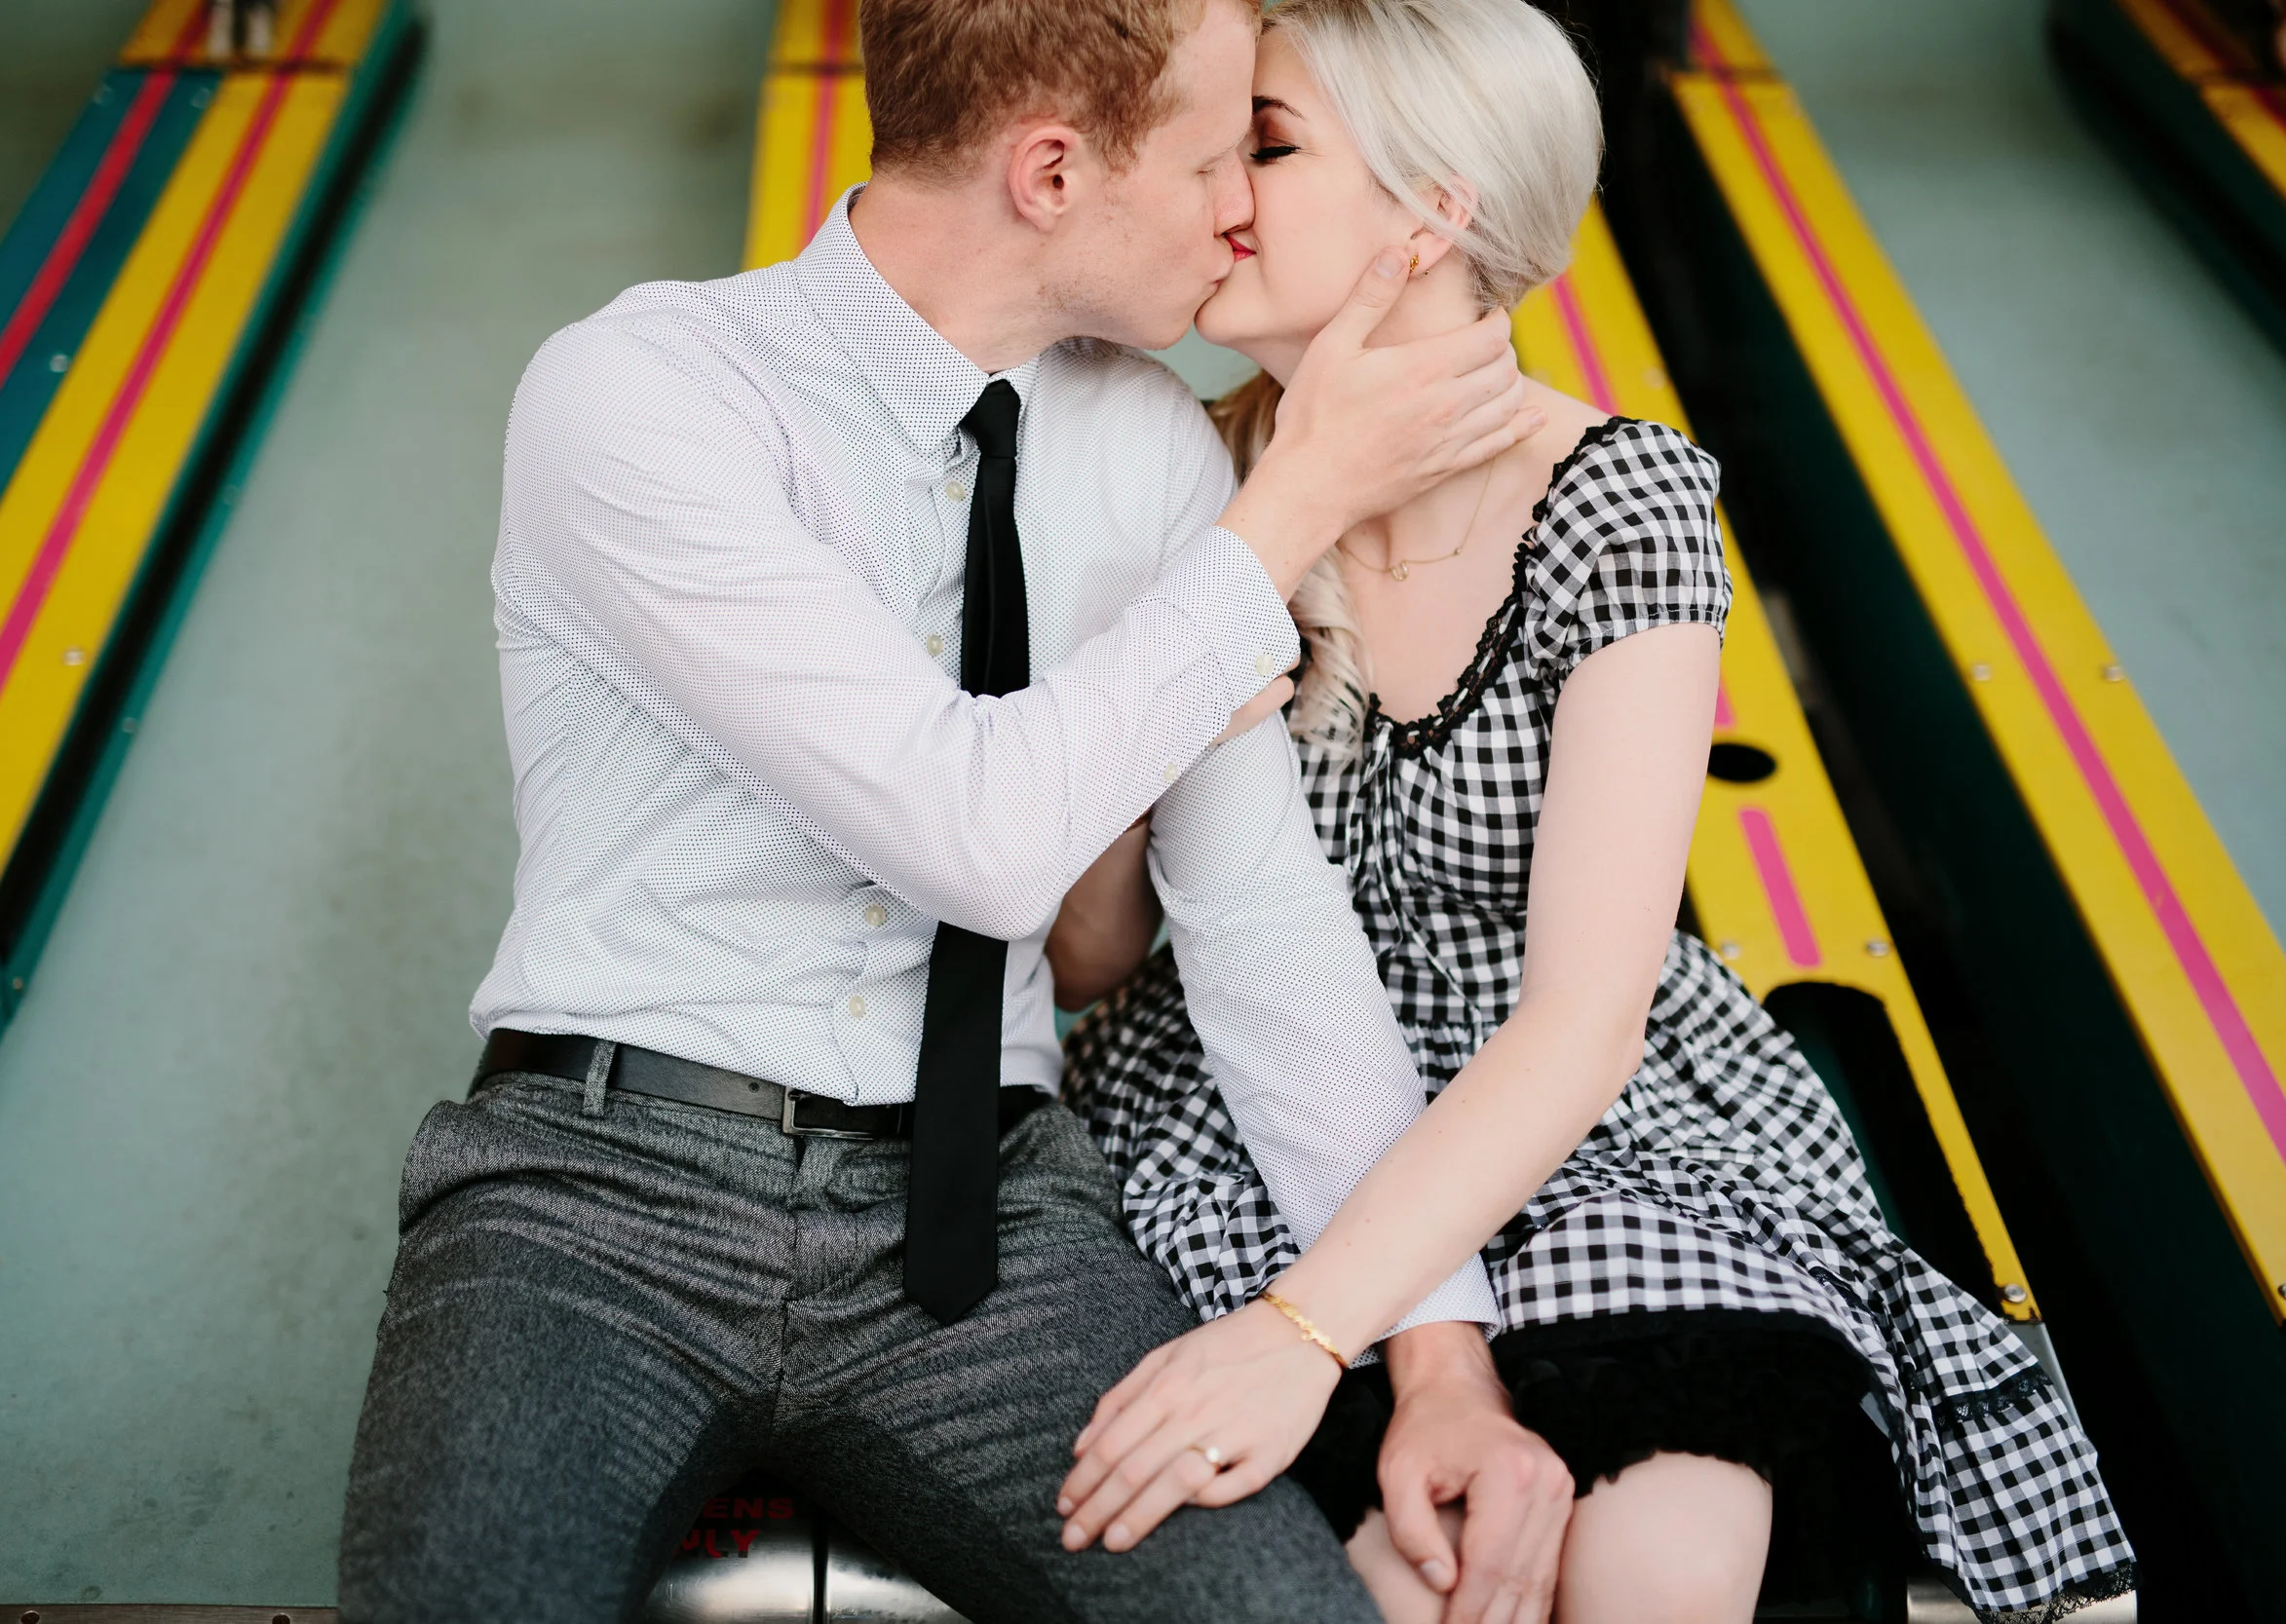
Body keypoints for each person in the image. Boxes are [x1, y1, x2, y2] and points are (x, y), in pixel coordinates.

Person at [333, 0, 1562, 1619]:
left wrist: (1435, 1359)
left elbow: (1264, 924)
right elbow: (969, 837)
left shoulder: (1151, 454)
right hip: (596, 1196)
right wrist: (1289, 516)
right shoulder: (642, 394)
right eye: (1210, 159)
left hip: (989, 1222)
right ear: (1052, 173)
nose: (1237, 209)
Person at [1048, 2, 2138, 1621]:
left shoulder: (1617, 502)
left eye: (1262, 147)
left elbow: (1579, 1025)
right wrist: (1219, 602)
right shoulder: (1182, 483)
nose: (1216, 191)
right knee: (1409, 1587)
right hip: (1253, 1116)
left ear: (1434, 212)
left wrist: (1305, 1331)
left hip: (1582, 1123)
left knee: (1663, 1560)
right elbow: (1089, 957)